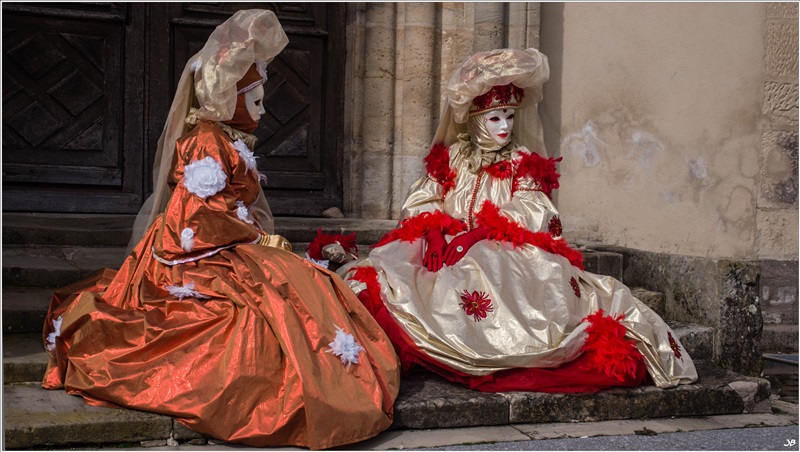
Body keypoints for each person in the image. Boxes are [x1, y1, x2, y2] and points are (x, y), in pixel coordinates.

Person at [41, 10, 399, 449]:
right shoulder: (207, 140)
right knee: (253, 313)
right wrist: (255, 238)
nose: (263, 107)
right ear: (229, 97)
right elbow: (195, 215)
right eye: (255, 98)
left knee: (300, 283)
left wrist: (255, 236)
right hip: (199, 254)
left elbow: (229, 205)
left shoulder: (224, 138)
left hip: (227, 243)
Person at [339, 48, 697, 393]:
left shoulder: (521, 162)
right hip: (442, 244)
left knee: (490, 266)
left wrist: (477, 234)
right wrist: (434, 232)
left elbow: (533, 209)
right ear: (476, 120)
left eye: (510, 116)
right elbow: (423, 199)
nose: (504, 127)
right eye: (494, 118)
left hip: (497, 248)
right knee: (395, 272)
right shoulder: (452, 158)